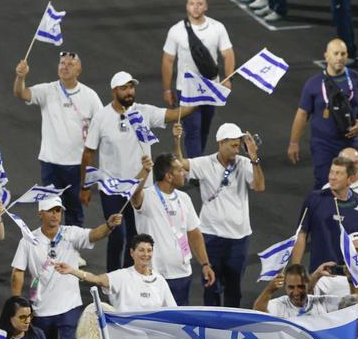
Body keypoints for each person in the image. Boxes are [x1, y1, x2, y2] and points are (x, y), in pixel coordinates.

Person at [80, 72, 191, 269]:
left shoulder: (143, 112)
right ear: (114, 91)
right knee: (116, 235)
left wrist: (204, 99)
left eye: (131, 87)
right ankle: (113, 280)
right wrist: (85, 186)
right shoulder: (102, 117)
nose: (130, 92)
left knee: (136, 236)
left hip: (141, 188)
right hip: (112, 189)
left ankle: (132, 277)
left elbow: (174, 115)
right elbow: (88, 153)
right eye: (124, 88)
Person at [11, 194, 121, 339]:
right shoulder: (28, 240)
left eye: (58, 210)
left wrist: (108, 225)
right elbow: (17, 273)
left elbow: (94, 235)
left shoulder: (70, 233)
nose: (55, 215)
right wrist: (16, 303)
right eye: (50, 211)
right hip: (41, 309)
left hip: (70, 307)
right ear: (40, 213)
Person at [173, 121, 263, 307]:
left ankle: (230, 329)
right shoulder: (205, 163)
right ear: (221, 143)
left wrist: (254, 158)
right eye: (233, 146)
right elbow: (179, 163)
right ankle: (211, 327)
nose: (237, 150)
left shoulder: (246, 163)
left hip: (239, 237)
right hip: (211, 236)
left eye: (239, 145)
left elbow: (259, 186)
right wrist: (177, 140)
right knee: (211, 286)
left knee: (234, 289)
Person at [14, 51, 102, 226]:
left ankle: (71, 251)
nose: (65, 67)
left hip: (77, 166)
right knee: (50, 211)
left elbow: (102, 125)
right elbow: (21, 93)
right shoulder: (47, 90)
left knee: (75, 212)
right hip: (51, 164)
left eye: (70, 64)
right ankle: (51, 250)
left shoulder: (90, 96)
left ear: (79, 70)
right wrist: (20, 77)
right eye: (62, 63)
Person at [287, 40, 358, 189]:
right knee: (325, 184)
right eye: (335, 53)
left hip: (350, 144)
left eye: (343, 54)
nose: (339, 57)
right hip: (324, 145)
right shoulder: (313, 84)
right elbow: (302, 115)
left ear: (347, 56)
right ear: (326, 56)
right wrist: (293, 142)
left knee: (351, 184)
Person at [129, 154, 215, 305]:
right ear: (168, 176)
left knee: (178, 324)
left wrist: (205, 264)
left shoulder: (184, 198)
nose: (184, 173)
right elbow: (133, 193)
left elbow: (194, 233)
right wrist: (144, 171)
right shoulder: (147, 197)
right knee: (155, 323)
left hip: (182, 274)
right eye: (180, 170)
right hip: (153, 275)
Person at [161, 0, 235, 157]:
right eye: (192, 4)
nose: (195, 7)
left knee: (204, 129)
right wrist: (167, 89)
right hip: (187, 89)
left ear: (206, 6)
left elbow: (228, 53)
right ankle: (195, 172)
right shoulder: (177, 31)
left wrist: (228, 77)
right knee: (192, 131)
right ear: (187, 6)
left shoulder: (217, 28)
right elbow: (168, 61)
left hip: (210, 87)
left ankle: (196, 165)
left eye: (199, 4)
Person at [290, 156, 358, 270]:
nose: (332, 177)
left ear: (350, 179)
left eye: (338, 173)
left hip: (351, 276)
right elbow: (301, 234)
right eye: (331, 172)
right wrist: (296, 268)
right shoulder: (314, 199)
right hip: (319, 275)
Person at [61, 233, 177, 310]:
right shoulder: (122, 276)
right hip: (125, 337)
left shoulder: (160, 281)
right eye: (141, 250)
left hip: (151, 338)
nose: (146, 254)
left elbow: (173, 311)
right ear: (132, 253)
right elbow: (96, 279)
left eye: (149, 250)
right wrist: (72, 270)